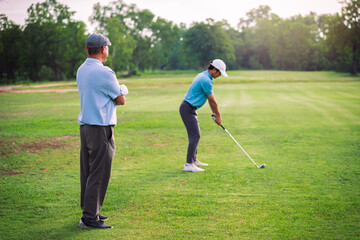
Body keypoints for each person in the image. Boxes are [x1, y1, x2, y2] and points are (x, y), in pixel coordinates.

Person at [76, 33, 128, 229]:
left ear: (87, 49)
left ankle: (92, 210)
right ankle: (90, 217)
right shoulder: (106, 73)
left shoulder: (81, 69)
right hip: (100, 128)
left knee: (88, 171)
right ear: (104, 49)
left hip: (86, 127)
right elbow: (120, 99)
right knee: (100, 171)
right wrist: (123, 89)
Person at [180, 59, 228, 172]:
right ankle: (188, 164)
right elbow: (212, 101)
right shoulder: (206, 80)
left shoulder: (204, 75)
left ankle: (193, 160)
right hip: (187, 109)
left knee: (196, 134)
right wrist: (218, 116)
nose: (219, 75)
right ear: (214, 70)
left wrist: (214, 113)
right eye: (219, 73)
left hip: (190, 108)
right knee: (195, 135)